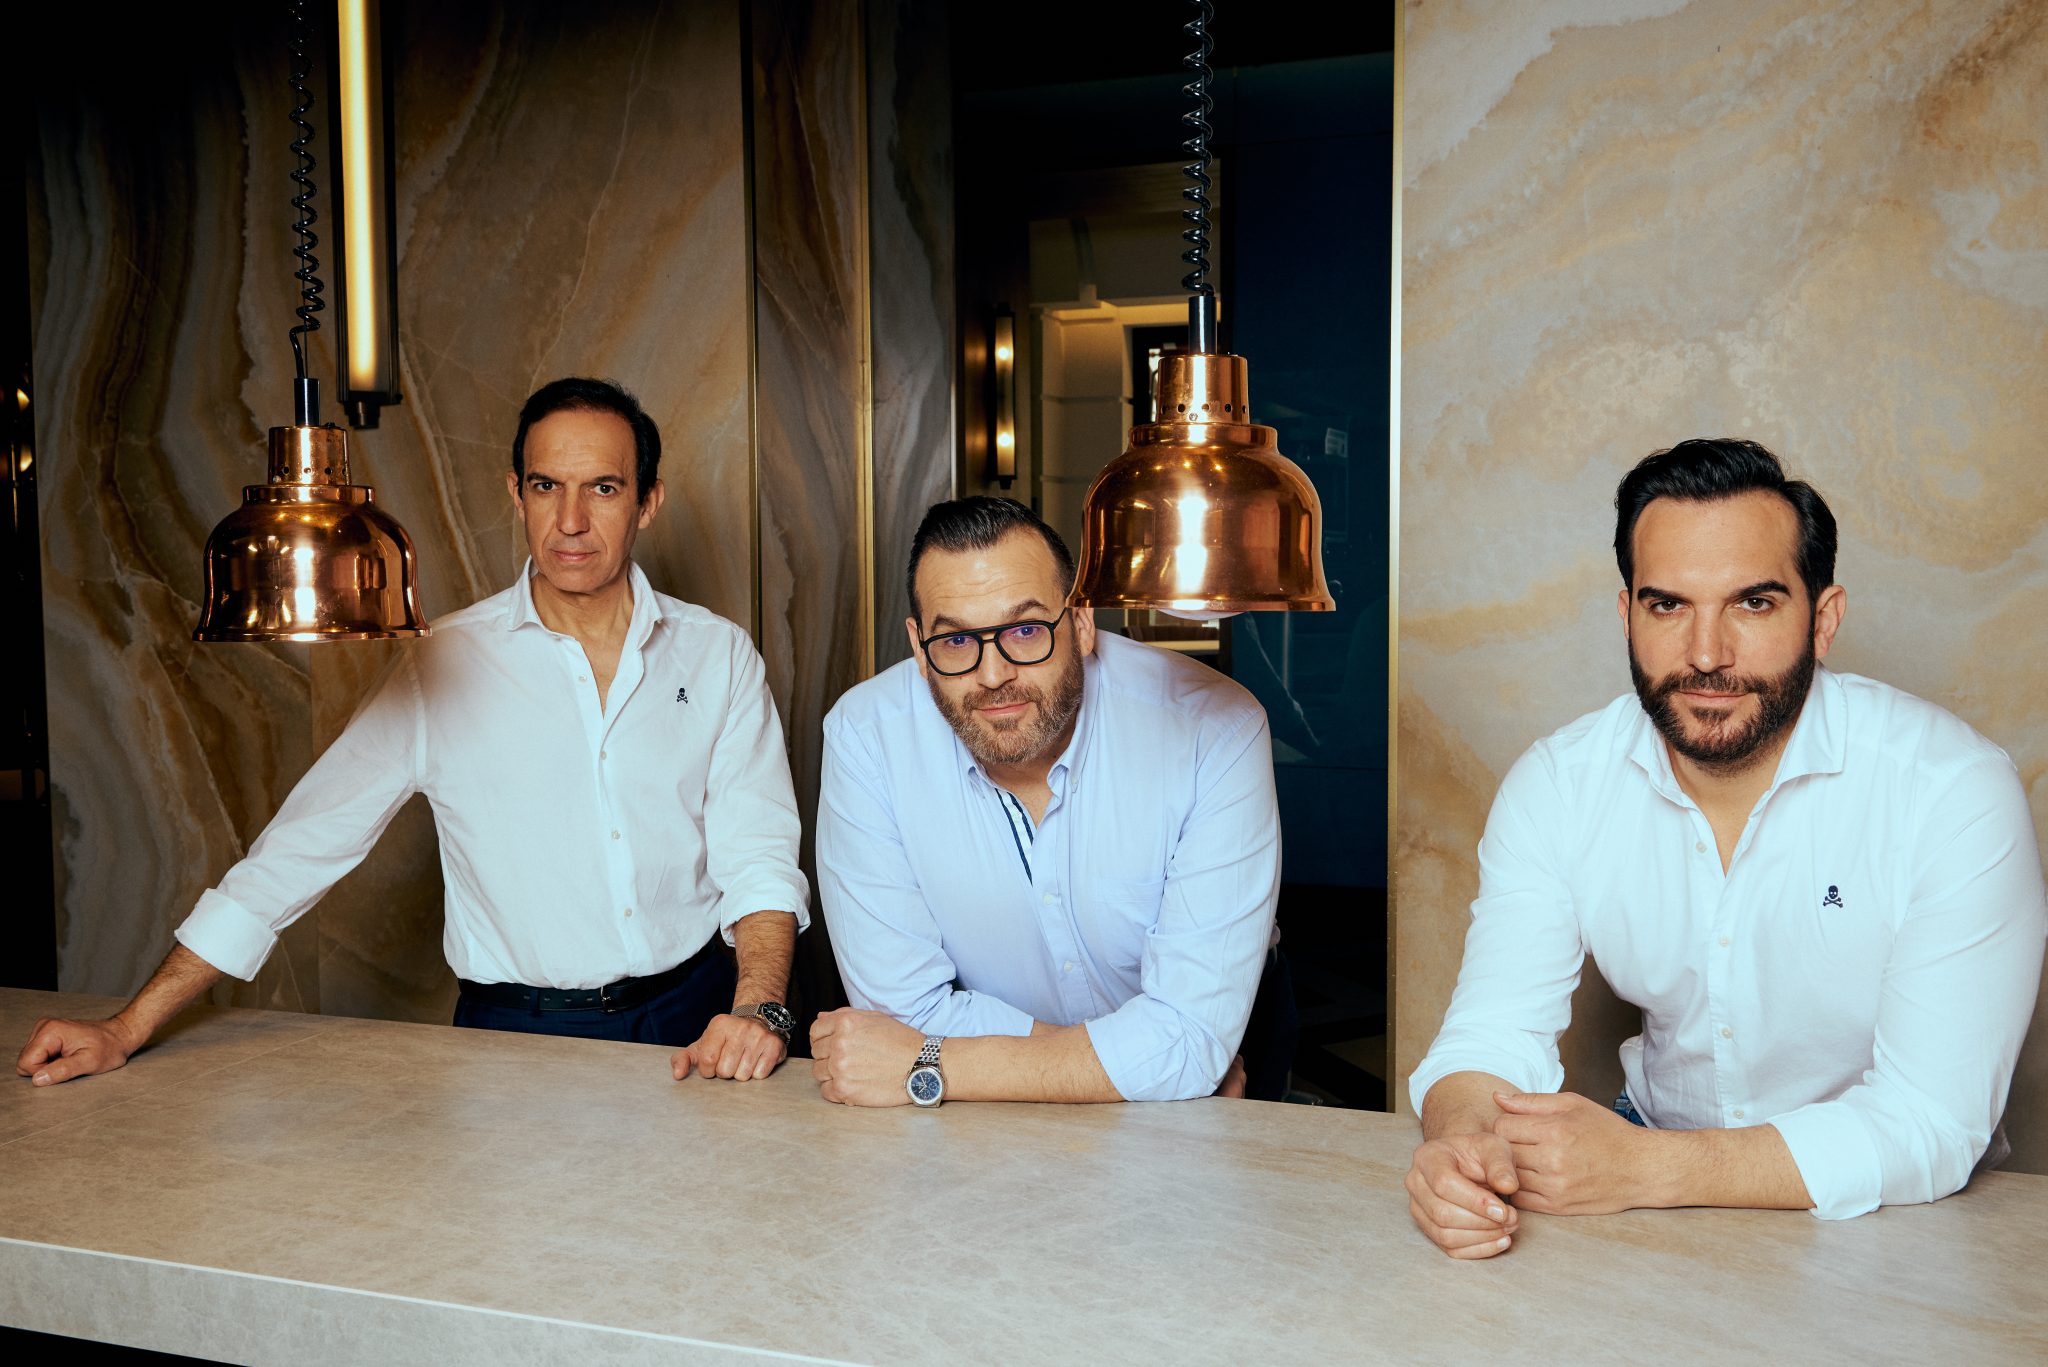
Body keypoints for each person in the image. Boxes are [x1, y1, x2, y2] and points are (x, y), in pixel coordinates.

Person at [17, 378, 808, 1089]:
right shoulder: (443, 663)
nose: (571, 521)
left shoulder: (717, 654)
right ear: (516, 493)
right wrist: (128, 1025)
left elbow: (760, 858)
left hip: (696, 1021)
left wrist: (757, 1009)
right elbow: (296, 850)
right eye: (546, 486)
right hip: (513, 1041)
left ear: (648, 501)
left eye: (603, 487)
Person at [1405, 438, 2047, 1258]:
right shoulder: (1561, 784)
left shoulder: (1951, 789)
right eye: (1668, 605)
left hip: (1893, 1209)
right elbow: (1490, 1035)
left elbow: (1931, 1120)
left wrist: (1647, 1168)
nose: (1706, 654)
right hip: (1643, 1184)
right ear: (1627, 614)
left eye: (1753, 602)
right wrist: (1461, 1149)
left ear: (1823, 619)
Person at [807, 496, 1292, 1107]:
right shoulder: (865, 737)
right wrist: (1150, 1068)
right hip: (1007, 1117)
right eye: (955, 640)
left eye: (1026, 630)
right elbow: (905, 1008)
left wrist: (932, 1062)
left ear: (1082, 621)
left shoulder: (1215, 728)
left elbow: (1192, 1038)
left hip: (1230, 1072)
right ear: (917, 646)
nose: (992, 675)